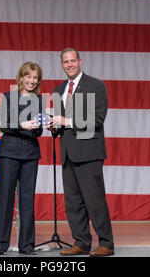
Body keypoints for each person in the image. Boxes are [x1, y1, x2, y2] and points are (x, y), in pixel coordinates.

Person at [50, 48, 114, 256]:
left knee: (94, 199)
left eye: (72, 61)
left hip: (89, 152)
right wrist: (53, 126)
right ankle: (82, 241)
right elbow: (61, 125)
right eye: (65, 62)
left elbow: (97, 119)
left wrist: (66, 121)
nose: (69, 65)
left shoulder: (96, 85)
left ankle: (106, 243)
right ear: (61, 64)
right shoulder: (59, 90)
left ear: (80, 61)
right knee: (73, 202)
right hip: (68, 153)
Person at [0, 61, 45, 255]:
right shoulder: (8, 97)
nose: (32, 81)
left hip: (30, 153)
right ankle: (0, 245)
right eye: (29, 76)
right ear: (21, 77)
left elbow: (38, 131)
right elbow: (5, 126)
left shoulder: (39, 100)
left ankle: (27, 245)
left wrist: (43, 125)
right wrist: (23, 125)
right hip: (9, 153)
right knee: (6, 198)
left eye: (35, 78)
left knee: (27, 200)